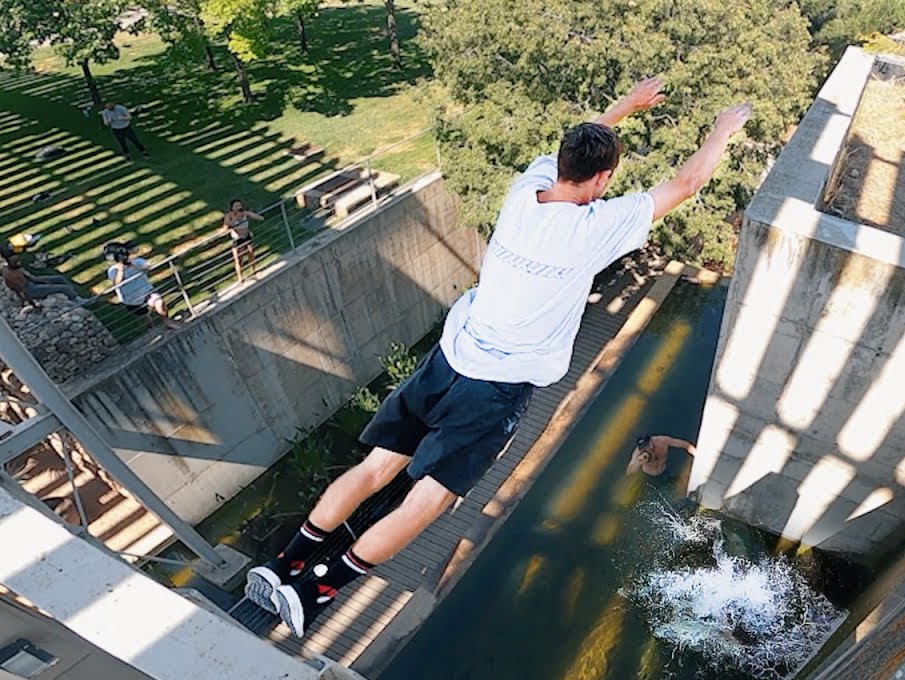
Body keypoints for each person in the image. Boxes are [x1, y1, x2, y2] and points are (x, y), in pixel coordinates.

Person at [245, 76, 753, 639]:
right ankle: (313, 594)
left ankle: (283, 566)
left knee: (374, 469)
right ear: (604, 179)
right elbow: (687, 182)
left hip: (449, 359)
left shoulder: (525, 190)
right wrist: (722, 129)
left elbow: (585, 140)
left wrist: (626, 106)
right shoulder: (595, 229)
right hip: (494, 389)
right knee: (427, 502)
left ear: (561, 162)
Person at [106, 248, 178, 329]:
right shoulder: (113, 270)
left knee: (159, 302)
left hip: (146, 292)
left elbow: (148, 267)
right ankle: (152, 328)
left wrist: (133, 266)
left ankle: (168, 322)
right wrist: (120, 270)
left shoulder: (136, 262)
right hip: (131, 299)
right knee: (144, 316)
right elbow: (117, 283)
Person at [3, 256, 79, 306]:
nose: (20, 263)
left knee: (59, 278)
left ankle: (73, 291)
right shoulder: (11, 276)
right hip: (31, 290)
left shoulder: (17, 270)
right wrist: (30, 303)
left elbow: (33, 278)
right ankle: (76, 299)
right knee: (63, 288)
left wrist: (43, 281)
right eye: (18, 262)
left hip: (32, 283)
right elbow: (22, 291)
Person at [223, 199, 264, 282]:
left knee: (251, 253)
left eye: (240, 205)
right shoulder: (229, 215)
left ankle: (253, 270)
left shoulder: (244, 213)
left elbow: (258, 217)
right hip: (237, 239)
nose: (239, 207)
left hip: (246, 236)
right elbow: (226, 226)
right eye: (236, 206)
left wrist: (256, 216)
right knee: (239, 259)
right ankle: (240, 277)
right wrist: (235, 218)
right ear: (232, 208)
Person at [627, 434, 696, 477]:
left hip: (665, 469)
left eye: (647, 445)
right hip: (650, 476)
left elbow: (685, 445)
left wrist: (696, 455)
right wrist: (639, 462)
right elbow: (629, 471)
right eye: (644, 447)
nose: (647, 448)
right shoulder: (639, 453)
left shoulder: (662, 441)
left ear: (651, 440)